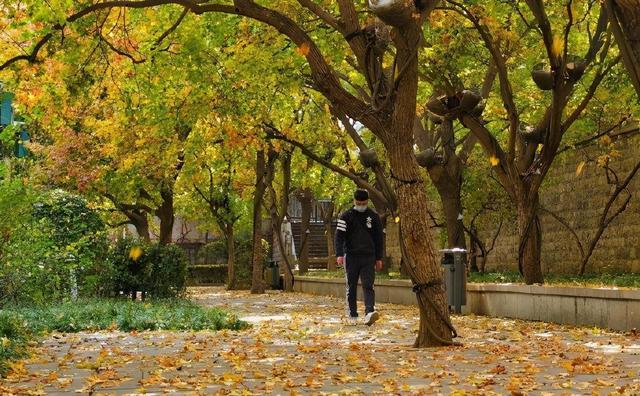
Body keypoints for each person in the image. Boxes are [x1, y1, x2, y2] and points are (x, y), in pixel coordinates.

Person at [335, 188, 384, 326]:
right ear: (354, 201)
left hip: (369, 256)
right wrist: (339, 254)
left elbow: (379, 238)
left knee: (368, 285)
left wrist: (379, 258)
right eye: (358, 203)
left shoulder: (373, 216)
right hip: (351, 256)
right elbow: (339, 237)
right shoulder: (346, 216)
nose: (361, 205)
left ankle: (369, 312)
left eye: (363, 203)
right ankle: (352, 313)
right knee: (351, 285)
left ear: (367, 202)